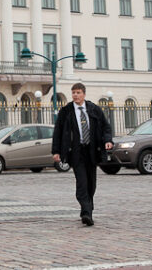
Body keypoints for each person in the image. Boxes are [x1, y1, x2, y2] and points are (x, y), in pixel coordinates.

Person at [52, 82, 113, 227]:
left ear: (84, 94)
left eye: (78, 92)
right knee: (82, 183)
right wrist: (56, 151)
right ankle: (86, 213)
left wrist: (108, 140)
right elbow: (58, 132)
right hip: (76, 151)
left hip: (92, 150)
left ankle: (87, 208)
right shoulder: (66, 111)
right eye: (73, 92)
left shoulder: (94, 109)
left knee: (91, 183)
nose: (75, 95)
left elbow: (106, 127)